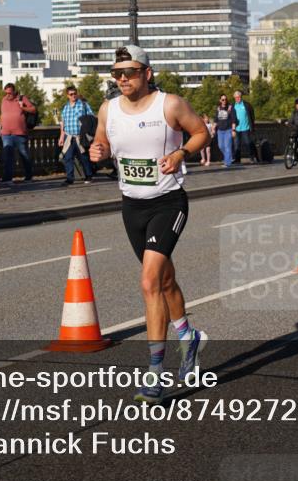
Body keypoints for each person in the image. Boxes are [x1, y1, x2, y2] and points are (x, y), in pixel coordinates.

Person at [89, 45, 211, 404]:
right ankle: (189, 338)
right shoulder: (108, 109)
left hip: (168, 202)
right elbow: (103, 142)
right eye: (117, 73)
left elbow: (200, 133)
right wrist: (97, 150)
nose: (122, 78)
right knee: (165, 279)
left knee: (148, 281)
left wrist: (180, 153)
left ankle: (156, 375)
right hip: (132, 206)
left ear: (147, 73)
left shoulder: (169, 104)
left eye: (129, 72)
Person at [0, 83, 37, 183]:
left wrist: (23, 108)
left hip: (20, 133)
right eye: (6, 93)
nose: (8, 95)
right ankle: (8, 178)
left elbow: (33, 109)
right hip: (6, 133)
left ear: (14, 91)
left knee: (24, 155)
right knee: (8, 156)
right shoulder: (3, 100)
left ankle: (29, 176)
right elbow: (3, 114)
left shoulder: (22, 98)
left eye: (10, 93)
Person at [59, 86, 95, 185]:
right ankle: (70, 178)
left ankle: (88, 175)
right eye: (71, 94)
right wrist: (61, 136)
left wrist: (86, 128)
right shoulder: (65, 107)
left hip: (80, 136)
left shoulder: (83, 105)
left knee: (83, 157)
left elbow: (91, 118)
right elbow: (62, 122)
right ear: (67, 96)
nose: (73, 96)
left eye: (75, 93)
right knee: (68, 157)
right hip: (68, 136)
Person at [231, 90, 257, 163]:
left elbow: (252, 115)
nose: (237, 99)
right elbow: (231, 117)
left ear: (241, 97)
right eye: (236, 98)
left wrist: (252, 126)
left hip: (246, 128)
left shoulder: (247, 105)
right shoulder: (233, 106)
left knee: (248, 143)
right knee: (236, 145)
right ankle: (237, 159)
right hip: (237, 128)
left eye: (238, 97)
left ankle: (252, 158)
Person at [214, 94, 235, 167]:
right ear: (220, 100)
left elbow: (233, 120)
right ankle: (229, 157)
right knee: (221, 146)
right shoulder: (218, 109)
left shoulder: (230, 108)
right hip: (220, 130)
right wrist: (213, 129)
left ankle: (227, 163)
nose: (224, 101)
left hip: (228, 130)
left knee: (227, 146)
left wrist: (233, 130)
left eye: (225, 99)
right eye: (223, 99)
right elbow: (216, 120)